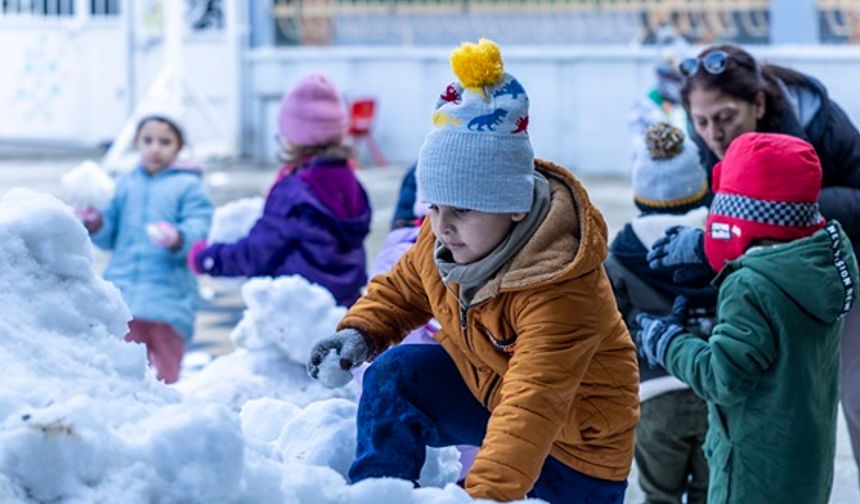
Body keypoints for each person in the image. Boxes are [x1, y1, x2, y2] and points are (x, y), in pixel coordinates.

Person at [305, 39, 639, 503]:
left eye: (461, 209)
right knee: (396, 374)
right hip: (492, 392)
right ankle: (379, 492)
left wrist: (477, 497)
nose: (442, 225)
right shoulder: (446, 235)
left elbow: (532, 403)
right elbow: (404, 288)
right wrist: (360, 332)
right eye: (435, 206)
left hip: (576, 447)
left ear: (514, 207)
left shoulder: (560, 287)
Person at [636, 133, 859, 504]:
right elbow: (774, 251)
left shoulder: (748, 287)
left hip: (751, 475)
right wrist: (704, 248)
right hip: (805, 466)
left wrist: (669, 342)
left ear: (737, 219)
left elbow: (722, 378)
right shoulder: (821, 266)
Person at [674, 44, 860, 473]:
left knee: (854, 397)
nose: (713, 134)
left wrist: (789, 209)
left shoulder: (821, 121)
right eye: (699, 121)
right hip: (768, 280)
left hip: (845, 264)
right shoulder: (708, 143)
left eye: (724, 118)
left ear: (757, 103)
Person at [188, 73, 372, 307]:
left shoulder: (294, 191)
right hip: (344, 303)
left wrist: (207, 258)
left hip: (297, 308)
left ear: (294, 136)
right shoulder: (349, 181)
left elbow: (256, 252)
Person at [604, 122, 713, 504]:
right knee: (711, 491)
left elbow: (610, 326)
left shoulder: (620, 254)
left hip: (652, 396)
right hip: (715, 388)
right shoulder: (718, 245)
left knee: (659, 495)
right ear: (702, 189)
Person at [82, 114, 213, 383]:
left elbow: (199, 228)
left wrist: (178, 238)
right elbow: (110, 236)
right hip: (125, 297)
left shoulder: (190, 186)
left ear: (178, 148)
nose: (155, 148)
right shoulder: (125, 183)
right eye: (148, 140)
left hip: (169, 300)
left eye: (165, 142)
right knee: (124, 373)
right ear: (136, 144)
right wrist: (95, 224)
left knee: (166, 376)